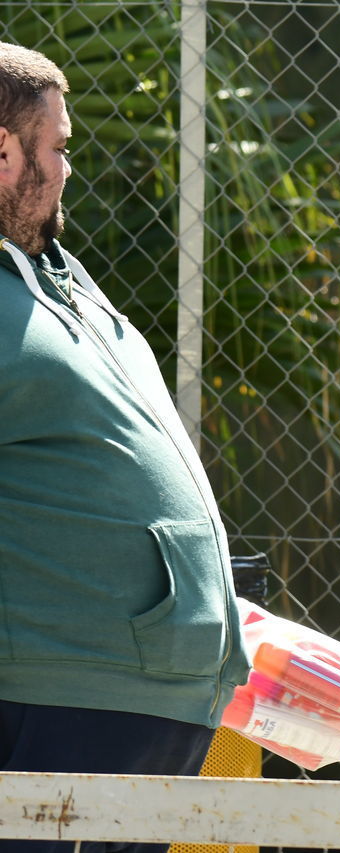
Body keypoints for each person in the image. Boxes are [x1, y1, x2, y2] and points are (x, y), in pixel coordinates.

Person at [0, 42, 249, 849]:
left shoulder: (56, 275)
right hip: (55, 695)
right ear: (3, 154)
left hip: (148, 698)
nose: (69, 169)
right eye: (59, 147)